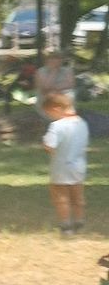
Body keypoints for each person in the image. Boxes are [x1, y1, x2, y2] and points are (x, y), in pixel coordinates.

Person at [43, 88, 89, 235]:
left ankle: (66, 225)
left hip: (61, 166)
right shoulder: (82, 123)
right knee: (78, 196)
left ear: (56, 109)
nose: (50, 117)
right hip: (79, 165)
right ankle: (79, 222)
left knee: (61, 196)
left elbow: (50, 146)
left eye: (49, 113)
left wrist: (45, 144)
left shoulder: (57, 126)